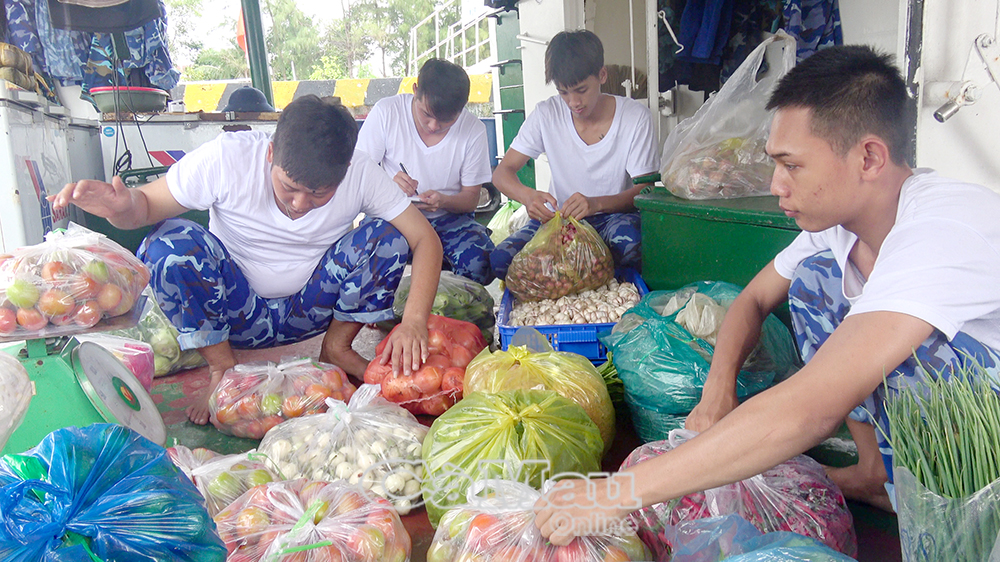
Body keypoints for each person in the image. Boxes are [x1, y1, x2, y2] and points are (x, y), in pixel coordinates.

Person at [532, 44, 1000, 544]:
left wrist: (609, 495)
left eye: (792, 166)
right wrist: (718, 390)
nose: (776, 185)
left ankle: (959, 498)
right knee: (818, 281)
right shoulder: (842, 224)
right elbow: (752, 300)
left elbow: (811, 407)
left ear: (868, 157)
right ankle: (873, 473)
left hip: (979, 439)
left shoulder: (943, 227)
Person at [49, 95, 443, 425]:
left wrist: (413, 321)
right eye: (289, 188)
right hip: (235, 313)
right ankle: (223, 369)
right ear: (270, 153)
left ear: (345, 172)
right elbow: (144, 207)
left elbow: (425, 238)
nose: (300, 205)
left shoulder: (362, 173)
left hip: (311, 311)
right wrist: (119, 208)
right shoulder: (228, 158)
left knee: (387, 239)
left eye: (318, 194)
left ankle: (337, 349)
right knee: (169, 245)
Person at [489, 30, 658, 280]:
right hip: (559, 221)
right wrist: (528, 197)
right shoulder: (547, 114)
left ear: (602, 75)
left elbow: (646, 190)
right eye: (563, 92)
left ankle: (612, 297)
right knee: (501, 261)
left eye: (581, 90)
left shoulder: (635, 118)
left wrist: (596, 203)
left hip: (611, 219)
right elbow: (502, 173)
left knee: (631, 246)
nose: (573, 102)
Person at [355, 58, 495, 285]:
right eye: (426, 114)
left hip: (449, 219)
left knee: (482, 264)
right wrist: (388, 184)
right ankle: (386, 313)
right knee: (367, 258)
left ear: (462, 109)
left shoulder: (473, 130)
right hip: (395, 217)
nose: (433, 126)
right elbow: (358, 175)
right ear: (415, 91)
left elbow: (470, 200)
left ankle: (445, 307)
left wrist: (444, 201)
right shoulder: (387, 112)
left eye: (446, 121)